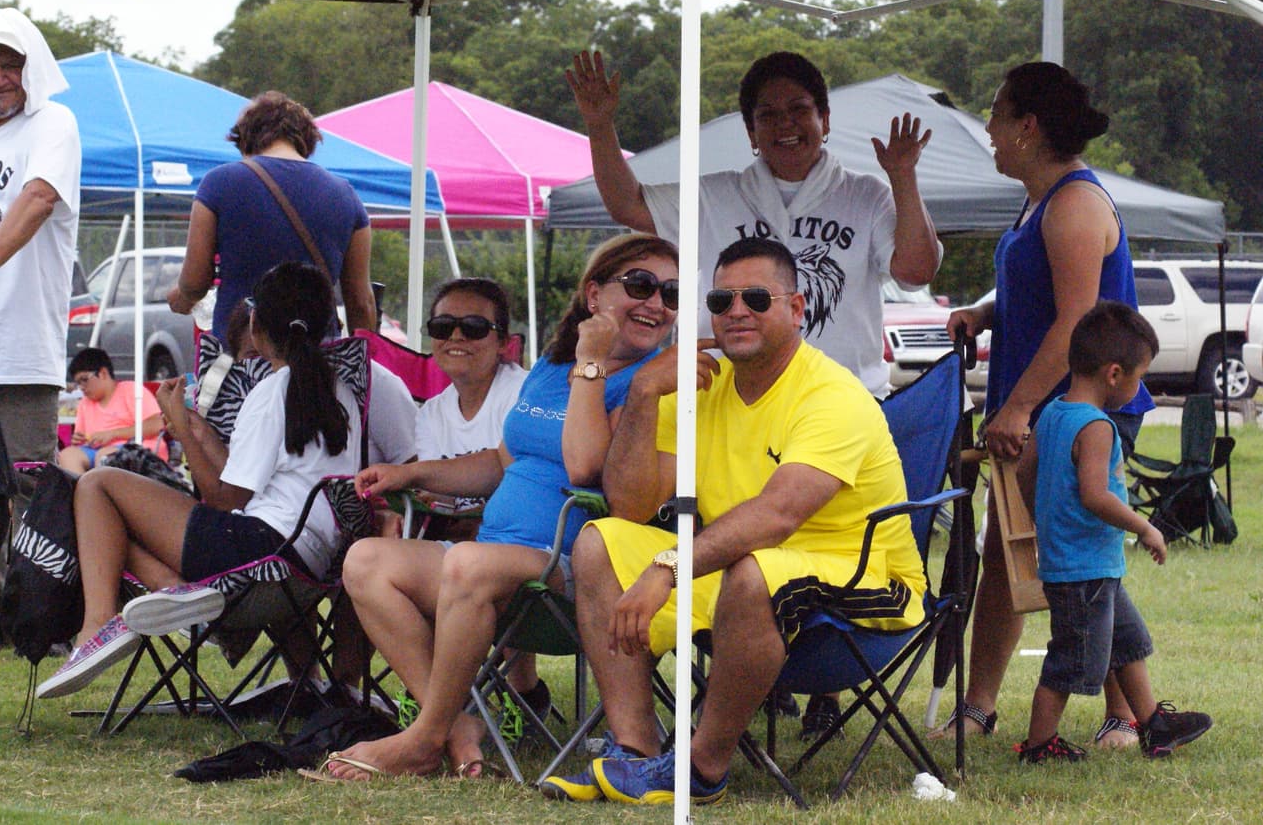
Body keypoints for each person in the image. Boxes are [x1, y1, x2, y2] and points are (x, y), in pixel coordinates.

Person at [541, 237, 926, 805]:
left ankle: (701, 768)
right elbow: (630, 504)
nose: (736, 311)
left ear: (796, 310)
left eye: (756, 298)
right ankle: (637, 749)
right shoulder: (700, 384)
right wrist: (645, 392)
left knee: (752, 569)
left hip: (866, 592)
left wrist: (669, 565)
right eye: (721, 300)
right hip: (740, 577)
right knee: (600, 541)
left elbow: (777, 515)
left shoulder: (832, 395)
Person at [310, 233, 678, 781]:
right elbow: (505, 459)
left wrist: (592, 364)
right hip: (496, 559)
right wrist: (413, 471)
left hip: (575, 568)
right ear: (595, 295)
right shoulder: (552, 368)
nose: (656, 303)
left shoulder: (650, 381)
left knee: (467, 562)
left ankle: (422, 739)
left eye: (670, 293)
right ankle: (457, 722)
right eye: (642, 285)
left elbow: (582, 467)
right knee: (366, 560)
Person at [941, 62, 1157, 748]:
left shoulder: (1074, 204)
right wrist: (981, 311)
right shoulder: (1039, 201)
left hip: (1082, 411)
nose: (989, 128)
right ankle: (980, 706)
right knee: (1014, 555)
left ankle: (1124, 714)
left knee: (1080, 559)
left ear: (1028, 126)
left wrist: (1016, 409)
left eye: (997, 113)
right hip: (1043, 407)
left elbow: (1074, 322)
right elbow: (1034, 294)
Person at [36, 262, 363, 699]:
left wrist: (180, 428)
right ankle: (173, 590)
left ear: (257, 324)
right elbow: (256, 482)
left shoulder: (270, 392)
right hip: (308, 560)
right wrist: (203, 433)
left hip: (255, 555)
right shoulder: (339, 390)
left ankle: (99, 624)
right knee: (109, 526)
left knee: (97, 487)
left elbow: (222, 499)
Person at [567, 49, 941, 398]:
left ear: (824, 119)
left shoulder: (867, 196)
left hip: (841, 401)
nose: (785, 124)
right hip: (729, 402)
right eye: (767, 115)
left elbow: (917, 270)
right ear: (751, 132)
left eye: (799, 109)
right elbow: (627, 204)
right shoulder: (716, 195)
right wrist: (599, 125)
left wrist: (902, 176)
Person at [1013, 301, 1211, 763]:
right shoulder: (1098, 427)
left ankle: (1154, 726)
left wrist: (1043, 516)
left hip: (1084, 564)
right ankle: (1039, 746)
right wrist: (1145, 527)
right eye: (1140, 377)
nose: (1141, 388)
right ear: (1114, 374)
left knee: (1128, 642)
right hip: (1084, 570)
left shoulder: (1054, 413)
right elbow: (1095, 495)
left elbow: (1026, 471)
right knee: (1069, 663)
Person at [0, 6, 81, 608]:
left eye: (9, 66)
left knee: (21, 486)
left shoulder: (54, 123)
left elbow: (39, 196)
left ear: (32, 70)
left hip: (18, 347)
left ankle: (27, 613)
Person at [167, 90, 376, 343]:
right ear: (306, 141)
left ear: (246, 138)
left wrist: (180, 299)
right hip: (319, 360)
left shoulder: (220, 183)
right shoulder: (347, 195)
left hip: (244, 357)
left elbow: (195, 283)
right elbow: (361, 304)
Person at [410, 277, 527, 534]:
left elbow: (525, 489)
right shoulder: (430, 414)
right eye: (442, 326)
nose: (456, 336)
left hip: (513, 538)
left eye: (474, 327)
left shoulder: (524, 395)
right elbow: (439, 497)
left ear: (504, 342)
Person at [57, 348, 167, 474]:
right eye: (78, 383)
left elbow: (156, 425)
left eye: (84, 380)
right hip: (95, 451)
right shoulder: (85, 403)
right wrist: (79, 439)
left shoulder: (131, 390)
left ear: (103, 373)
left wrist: (113, 434)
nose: (81, 387)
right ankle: (83, 491)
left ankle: (99, 491)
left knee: (106, 456)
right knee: (67, 455)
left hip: (137, 449)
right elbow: (82, 440)